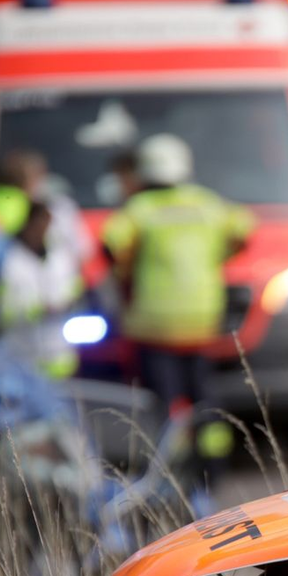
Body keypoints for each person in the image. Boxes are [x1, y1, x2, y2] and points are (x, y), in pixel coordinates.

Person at [101, 133, 254, 493]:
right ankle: (212, 471)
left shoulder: (140, 209)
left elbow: (111, 245)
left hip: (153, 325)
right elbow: (245, 231)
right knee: (206, 402)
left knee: (164, 405)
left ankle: (166, 472)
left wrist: (127, 273)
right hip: (202, 321)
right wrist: (214, 257)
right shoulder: (206, 203)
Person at [0, 200, 82, 379]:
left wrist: (66, 303)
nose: (44, 230)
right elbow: (2, 306)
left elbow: (74, 289)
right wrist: (37, 309)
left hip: (59, 359)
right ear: (29, 224)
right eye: (40, 224)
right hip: (21, 355)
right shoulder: (9, 259)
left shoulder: (60, 258)